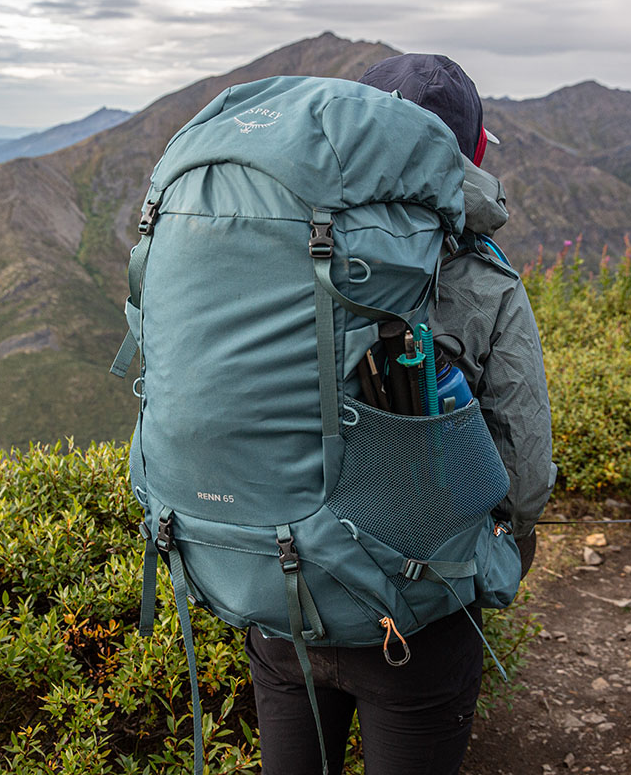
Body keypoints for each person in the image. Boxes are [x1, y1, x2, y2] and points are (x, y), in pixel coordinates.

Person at [245, 54, 557, 775]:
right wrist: (507, 548)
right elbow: (524, 475)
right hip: (419, 617)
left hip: (280, 597)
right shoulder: (481, 279)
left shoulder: (277, 254)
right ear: (473, 156)